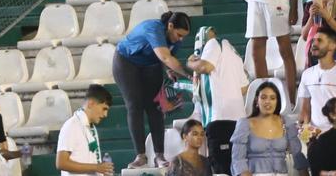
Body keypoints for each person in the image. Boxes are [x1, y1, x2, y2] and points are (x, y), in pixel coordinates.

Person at [113, 11, 192, 168]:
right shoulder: (153, 28)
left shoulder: (176, 40)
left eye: (183, 36)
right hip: (127, 62)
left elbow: (167, 60)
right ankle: (140, 156)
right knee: (134, 105)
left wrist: (171, 72)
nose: (180, 39)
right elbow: (165, 57)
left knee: (155, 107)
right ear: (170, 26)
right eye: (179, 34)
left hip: (151, 65)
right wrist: (189, 76)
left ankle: (159, 155)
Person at [187, 26, 248, 176]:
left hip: (219, 119)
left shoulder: (213, 44)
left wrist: (190, 63)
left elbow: (205, 66)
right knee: (238, 168)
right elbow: (244, 88)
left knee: (221, 169)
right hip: (239, 120)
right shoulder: (233, 52)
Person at [231, 82, 306, 176]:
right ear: (256, 101)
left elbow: (297, 154)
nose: (268, 101)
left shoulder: (287, 122)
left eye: (272, 98)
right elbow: (238, 159)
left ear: (277, 102)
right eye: (263, 97)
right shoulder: (244, 123)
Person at [297, 29, 336, 132]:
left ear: (333, 45)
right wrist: (305, 129)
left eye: (319, 40)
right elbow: (305, 110)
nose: (314, 44)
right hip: (315, 135)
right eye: (313, 40)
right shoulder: (307, 74)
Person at [55, 85, 113, 176]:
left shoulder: (90, 127)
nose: (105, 114)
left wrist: (101, 171)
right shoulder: (72, 125)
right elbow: (61, 163)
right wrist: (96, 167)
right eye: (104, 109)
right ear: (91, 104)